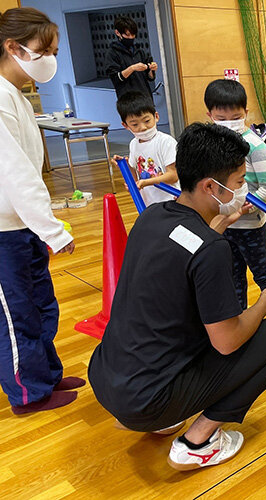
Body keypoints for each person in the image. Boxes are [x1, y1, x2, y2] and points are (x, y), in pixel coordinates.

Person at [88, 123, 266, 471]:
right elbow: (227, 341)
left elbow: (187, 247)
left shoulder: (152, 216)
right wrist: (264, 304)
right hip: (147, 400)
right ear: (210, 187)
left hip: (107, 378)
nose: (244, 189)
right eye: (240, 182)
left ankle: (166, 417)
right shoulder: (211, 250)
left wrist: (217, 227)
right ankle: (199, 440)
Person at [0, 7, 83, 415]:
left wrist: (42, 226)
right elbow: (14, 173)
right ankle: (28, 393)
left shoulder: (15, 93)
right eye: (43, 49)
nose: (49, 58)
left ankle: (46, 376)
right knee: (17, 315)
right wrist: (52, 229)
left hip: (21, 226)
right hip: (3, 231)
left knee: (39, 304)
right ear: (13, 48)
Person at [204, 79, 266, 306]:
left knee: (263, 277)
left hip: (250, 227)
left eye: (236, 118)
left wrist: (247, 206)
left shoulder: (255, 147)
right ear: (209, 116)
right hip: (224, 225)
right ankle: (238, 323)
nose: (230, 123)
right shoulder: (212, 144)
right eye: (221, 119)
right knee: (233, 279)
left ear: (246, 113)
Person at [112, 91, 179, 206]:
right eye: (134, 124)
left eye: (147, 121)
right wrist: (125, 166)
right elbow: (135, 177)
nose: (142, 128)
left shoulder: (166, 142)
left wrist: (147, 182)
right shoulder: (134, 144)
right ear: (125, 126)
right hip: (148, 202)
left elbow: (173, 176)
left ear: (156, 116)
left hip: (170, 201)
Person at [104, 15, 157, 100]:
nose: (131, 38)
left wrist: (151, 69)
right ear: (117, 33)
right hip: (128, 101)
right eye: (127, 35)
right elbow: (116, 79)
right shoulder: (112, 53)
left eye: (133, 35)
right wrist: (132, 68)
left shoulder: (139, 51)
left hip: (145, 97)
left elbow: (150, 78)